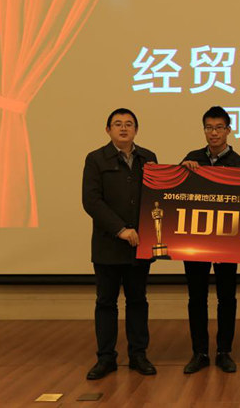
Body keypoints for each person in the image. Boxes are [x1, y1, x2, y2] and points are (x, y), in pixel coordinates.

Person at [82, 108, 158, 379]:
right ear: (108, 130)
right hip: (108, 244)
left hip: (140, 245)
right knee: (106, 303)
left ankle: (138, 355)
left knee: (138, 301)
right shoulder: (95, 159)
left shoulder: (148, 158)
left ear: (136, 129)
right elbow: (91, 201)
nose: (123, 128)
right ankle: (106, 358)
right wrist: (120, 229)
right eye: (117, 124)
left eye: (129, 124)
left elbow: (156, 196)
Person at [179, 106, 240, 374]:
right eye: (209, 127)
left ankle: (223, 351)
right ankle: (199, 352)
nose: (214, 133)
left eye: (219, 128)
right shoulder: (192, 159)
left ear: (228, 130)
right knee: (196, 298)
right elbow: (175, 193)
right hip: (196, 242)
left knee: (226, 298)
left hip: (227, 242)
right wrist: (181, 171)